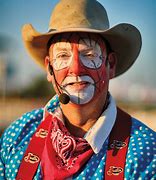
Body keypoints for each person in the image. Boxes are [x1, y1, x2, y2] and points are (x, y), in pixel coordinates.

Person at [0, 0, 155, 179]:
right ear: (49, 69)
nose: (75, 69)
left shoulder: (146, 155)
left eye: (89, 55)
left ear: (110, 65)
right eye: (63, 56)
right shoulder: (17, 136)